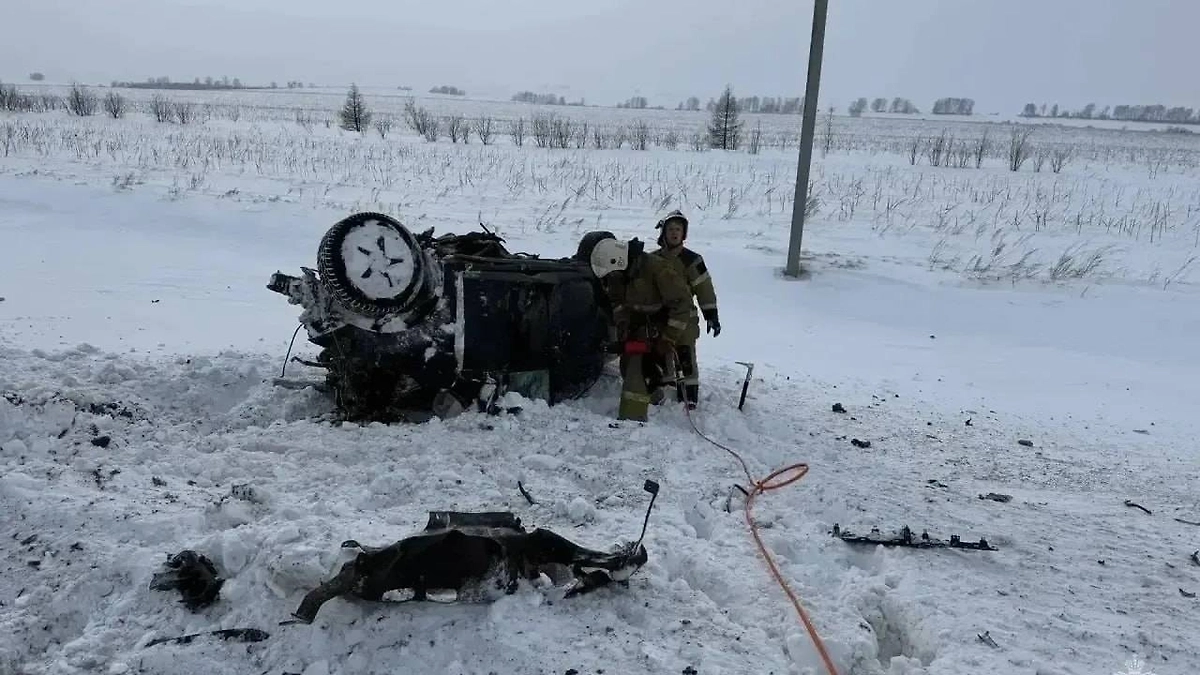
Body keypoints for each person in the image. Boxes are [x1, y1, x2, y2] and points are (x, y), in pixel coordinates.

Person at [586, 234, 692, 422]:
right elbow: (616, 302)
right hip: (639, 324)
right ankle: (654, 396)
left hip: (665, 323)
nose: (612, 278)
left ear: (618, 261)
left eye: (612, 273)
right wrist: (623, 325)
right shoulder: (618, 274)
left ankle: (632, 418)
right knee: (628, 363)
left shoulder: (657, 269)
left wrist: (668, 338)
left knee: (637, 367)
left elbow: (682, 304)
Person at [651, 210, 720, 409]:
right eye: (671, 229)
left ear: (684, 234)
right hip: (659, 318)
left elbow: (704, 288)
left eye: (678, 230)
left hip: (685, 320)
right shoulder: (652, 260)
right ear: (663, 233)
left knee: (685, 357)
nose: (674, 233)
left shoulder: (692, 260)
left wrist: (711, 315)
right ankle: (661, 391)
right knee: (659, 354)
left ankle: (689, 397)